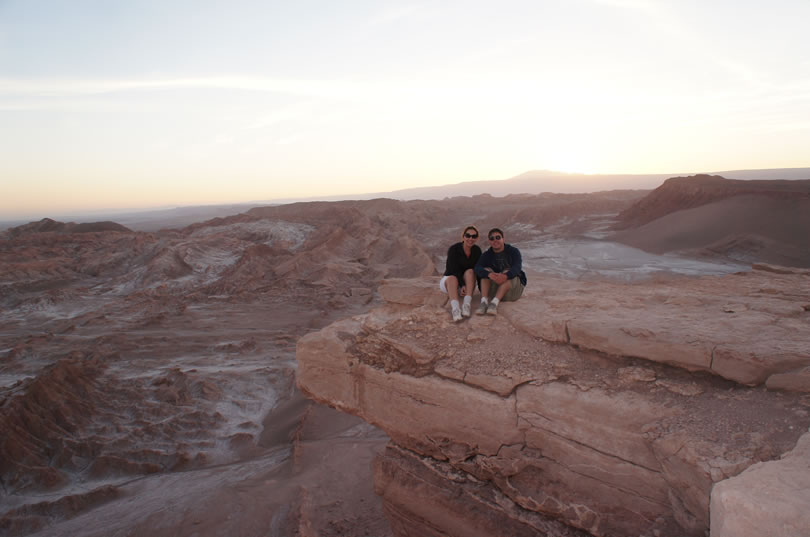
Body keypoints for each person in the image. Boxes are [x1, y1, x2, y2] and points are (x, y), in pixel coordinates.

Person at [474, 228, 527, 316]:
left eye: (498, 237)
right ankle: (484, 303)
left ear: (503, 239)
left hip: (512, 292)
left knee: (508, 270)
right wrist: (489, 274)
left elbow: (517, 267)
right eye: (492, 238)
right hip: (494, 290)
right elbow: (477, 268)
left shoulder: (513, 251)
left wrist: (506, 275)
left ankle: (494, 304)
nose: (495, 240)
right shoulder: (486, 255)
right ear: (489, 241)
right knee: (485, 271)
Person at [440, 225, 482, 322]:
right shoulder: (454, 249)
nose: (470, 238)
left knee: (471, 271)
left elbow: (478, 270)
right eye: (468, 235)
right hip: (450, 282)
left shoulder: (477, 251)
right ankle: (456, 310)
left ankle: (466, 305)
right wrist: (462, 284)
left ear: (477, 238)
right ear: (463, 236)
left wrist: (482, 290)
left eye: (474, 236)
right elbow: (452, 269)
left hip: (467, 282)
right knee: (452, 278)